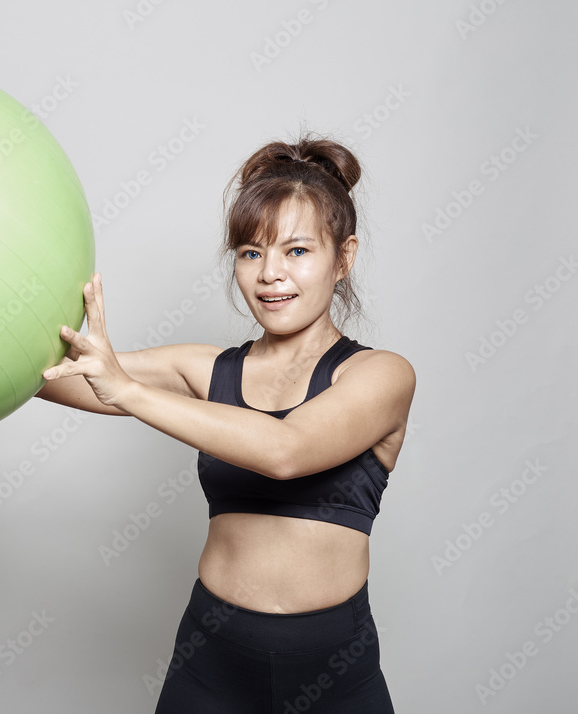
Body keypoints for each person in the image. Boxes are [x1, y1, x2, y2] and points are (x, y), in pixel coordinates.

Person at [36, 133, 415, 713]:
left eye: (296, 251)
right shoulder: (207, 368)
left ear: (344, 258)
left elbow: (286, 450)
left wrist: (128, 389)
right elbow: (53, 376)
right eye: (250, 253)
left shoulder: (381, 375)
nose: (270, 274)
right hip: (211, 664)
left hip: (335, 672)